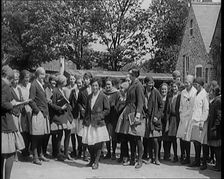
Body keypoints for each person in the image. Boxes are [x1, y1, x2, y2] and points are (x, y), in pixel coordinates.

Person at [116, 68, 145, 169]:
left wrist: (138, 115)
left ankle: (140, 160)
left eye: (130, 74)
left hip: (134, 114)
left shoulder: (139, 85)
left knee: (137, 138)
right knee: (131, 137)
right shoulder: (132, 84)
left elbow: (140, 101)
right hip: (129, 113)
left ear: (135, 75)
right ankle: (132, 159)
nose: (129, 75)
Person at [1, 65, 25, 179]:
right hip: (6, 124)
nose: (10, 82)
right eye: (10, 79)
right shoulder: (4, 86)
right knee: (10, 153)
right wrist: (13, 104)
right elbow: (3, 103)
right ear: (6, 76)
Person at [82, 77, 110, 169]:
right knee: (89, 142)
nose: (94, 87)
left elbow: (107, 109)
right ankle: (92, 160)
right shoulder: (89, 96)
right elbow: (87, 110)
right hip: (89, 122)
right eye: (93, 85)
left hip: (98, 123)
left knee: (98, 143)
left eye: (96, 85)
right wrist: (85, 121)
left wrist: (100, 116)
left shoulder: (103, 96)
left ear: (99, 86)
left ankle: (96, 162)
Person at [186, 77, 209, 168]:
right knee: (196, 142)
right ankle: (197, 160)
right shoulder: (196, 93)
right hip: (194, 121)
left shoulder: (205, 95)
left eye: (196, 84)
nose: (195, 86)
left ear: (201, 85)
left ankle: (204, 162)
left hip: (201, 122)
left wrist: (203, 121)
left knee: (203, 143)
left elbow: (205, 109)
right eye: (194, 84)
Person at [29, 67, 50, 165]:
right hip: (38, 113)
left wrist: (46, 101)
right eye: (42, 74)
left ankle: (40, 154)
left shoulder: (41, 84)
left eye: (44, 74)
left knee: (41, 136)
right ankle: (35, 157)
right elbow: (31, 100)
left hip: (43, 113)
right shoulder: (34, 84)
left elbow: (40, 98)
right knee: (35, 136)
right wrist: (37, 110)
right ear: (38, 75)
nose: (44, 76)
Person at [50, 75, 74, 161]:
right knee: (59, 135)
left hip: (66, 115)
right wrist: (61, 108)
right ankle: (58, 154)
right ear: (61, 82)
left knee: (68, 134)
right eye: (65, 81)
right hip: (60, 116)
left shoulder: (62, 90)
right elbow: (52, 104)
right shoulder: (55, 91)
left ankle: (66, 153)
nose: (66, 82)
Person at [176, 75, 197, 164]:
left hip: (190, 118)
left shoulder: (195, 92)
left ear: (191, 83)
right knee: (181, 138)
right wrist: (181, 114)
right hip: (183, 117)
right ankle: (183, 155)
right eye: (185, 82)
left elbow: (195, 107)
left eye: (187, 82)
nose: (186, 84)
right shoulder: (183, 92)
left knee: (188, 139)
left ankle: (189, 157)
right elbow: (181, 105)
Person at [143, 75, 163, 165]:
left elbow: (161, 105)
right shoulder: (143, 92)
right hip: (146, 118)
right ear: (145, 84)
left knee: (155, 139)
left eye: (152, 84)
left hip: (154, 119)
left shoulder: (156, 92)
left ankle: (156, 158)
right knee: (149, 139)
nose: (150, 86)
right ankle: (150, 157)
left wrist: (157, 116)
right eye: (149, 84)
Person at [77, 72, 93, 161]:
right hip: (84, 115)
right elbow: (79, 102)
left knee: (92, 134)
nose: (85, 80)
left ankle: (93, 153)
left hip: (93, 116)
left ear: (90, 79)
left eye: (86, 79)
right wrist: (81, 109)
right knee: (84, 135)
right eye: (84, 79)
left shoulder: (95, 88)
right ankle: (84, 153)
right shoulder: (81, 90)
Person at [164, 81, 181, 162]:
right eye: (173, 87)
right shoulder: (169, 96)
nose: (174, 88)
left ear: (178, 87)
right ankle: (169, 155)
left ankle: (179, 155)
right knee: (170, 138)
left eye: (175, 87)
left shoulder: (180, 96)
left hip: (177, 118)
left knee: (177, 138)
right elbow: (167, 108)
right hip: (170, 118)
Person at [103, 77, 120, 160]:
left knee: (113, 136)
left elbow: (118, 105)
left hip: (113, 117)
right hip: (106, 117)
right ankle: (108, 152)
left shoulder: (116, 93)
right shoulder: (103, 93)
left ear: (112, 85)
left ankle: (113, 152)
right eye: (106, 84)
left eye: (109, 84)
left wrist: (114, 106)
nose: (108, 86)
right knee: (106, 136)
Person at [18, 70, 32, 160]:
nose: (27, 79)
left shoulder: (30, 86)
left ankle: (28, 149)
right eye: (26, 77)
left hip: (30, 111)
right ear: (22, 78)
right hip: (22, 111)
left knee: (30, 130)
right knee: (24, 131)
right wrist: (23, 102)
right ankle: (24, 150)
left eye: (28, 77)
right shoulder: (19, 87)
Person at [207, 86, 221, 171]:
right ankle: (217, 164)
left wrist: (215, 127)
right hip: (214, 128)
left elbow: (219, 116)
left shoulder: (218, 101)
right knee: (216, 148)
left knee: (217, 148)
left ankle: (218, 166)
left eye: (211, 91)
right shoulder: (215, 101)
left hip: (217, 129)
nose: (209, 93)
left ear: (215, 92)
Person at [115, 82, 130, 163]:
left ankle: (126, 156)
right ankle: (122, 155)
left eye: (122, 88)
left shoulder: (128, 99)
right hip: (120, 122)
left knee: (126, 139)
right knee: (121, 139)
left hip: (126, 122)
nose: (120, 90)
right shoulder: (119, 98)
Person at [69, 76, 83, 159]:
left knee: (80, 134)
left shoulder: (84, 91)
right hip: (74, 115)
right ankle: (74, 150)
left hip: (80, 116)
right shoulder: (73, 91)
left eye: (80, 83)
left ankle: (80, 151)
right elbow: (70, 102)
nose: (79, 84)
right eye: (78, 83)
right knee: (73, 133)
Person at [158, 83, 170, 161]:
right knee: (158, 139)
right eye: (162, 89)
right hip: (159, 121)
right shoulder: (158, 98)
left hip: (166, 121)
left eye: (165, 89)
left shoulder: (169, 98)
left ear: (167, 90)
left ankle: (166, 155)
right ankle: (157, 155)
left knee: (167, 140)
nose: (163, 91)